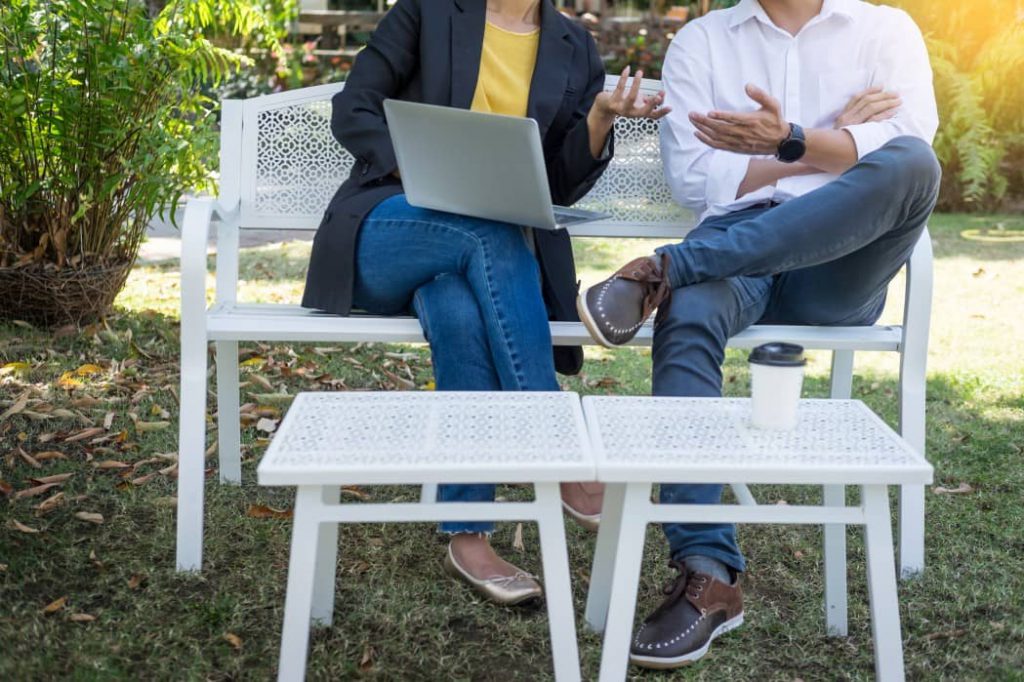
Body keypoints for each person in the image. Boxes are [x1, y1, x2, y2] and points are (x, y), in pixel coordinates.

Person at [577, 0, 940, 668]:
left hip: (837, 265)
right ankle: (709, 572)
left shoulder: (885, 29)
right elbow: (697, 178)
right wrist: (833, 146)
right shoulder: (702, 42)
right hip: (733, 243)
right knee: (687, 315)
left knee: (913, 162)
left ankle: (665, 270)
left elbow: (905, 153)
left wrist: (783, 141)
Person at [301, 0, 669, 605]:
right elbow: (354, 108)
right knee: (485, 230)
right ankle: (558, 450)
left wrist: (600, 118)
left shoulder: (574, 46)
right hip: (388, 228)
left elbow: (559, 182)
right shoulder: (427, 12)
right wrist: (426, 173)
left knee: (458, 311)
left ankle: (467, 534)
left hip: (477, 267)